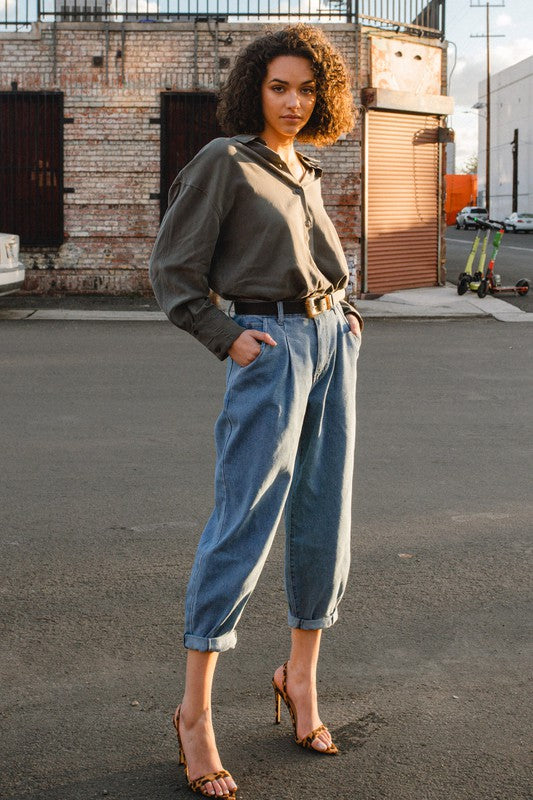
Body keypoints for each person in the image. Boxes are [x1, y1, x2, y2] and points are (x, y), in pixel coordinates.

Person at [149, 23, 363, 799]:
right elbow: (172, 270)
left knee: (322, 516)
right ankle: (194, 713)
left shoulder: (301, 168)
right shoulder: (225, 162)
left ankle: (298, 679)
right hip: (267, 346)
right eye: (279, 87)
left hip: (330, 344)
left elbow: (314, 264)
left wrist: (342, 318)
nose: (293, 101)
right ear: (253, 91)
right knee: (243, 519)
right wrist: (229, 338)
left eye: (307, 89)